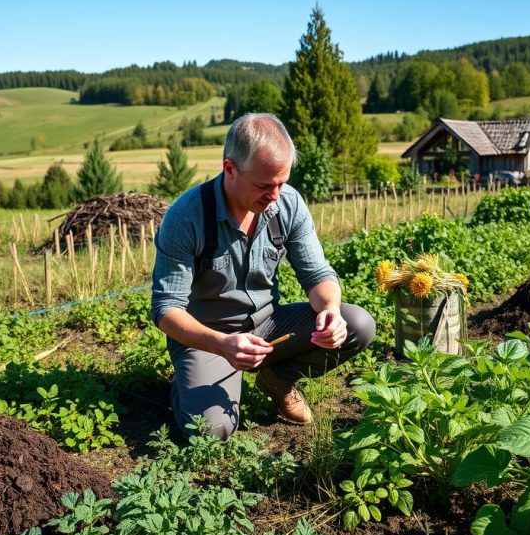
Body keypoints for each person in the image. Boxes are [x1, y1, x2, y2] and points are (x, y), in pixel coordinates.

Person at [150, 113, 376, 440]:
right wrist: (223, 344)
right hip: (211, 339)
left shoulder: (288, 204)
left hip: (269, 327)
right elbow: (166, 310)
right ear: (230, 169)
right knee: (210, 432)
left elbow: (318, 274)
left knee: (358, 325)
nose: (274, 196)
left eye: (281, 183)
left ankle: (277, 378)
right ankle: (190, 387)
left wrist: (329, 310)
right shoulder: (187, 218)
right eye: (263, 186)